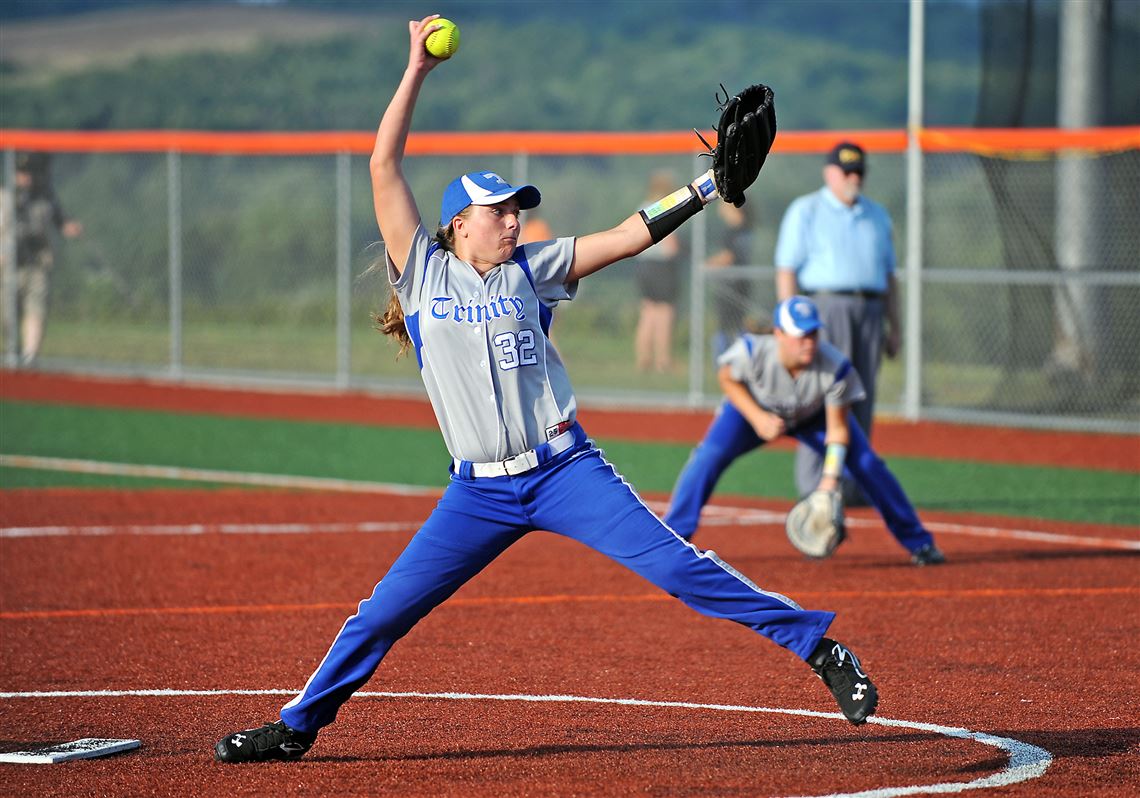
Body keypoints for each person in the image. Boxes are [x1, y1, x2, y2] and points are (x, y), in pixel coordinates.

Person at [214, 15, 879, 764]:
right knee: (383, 612)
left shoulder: (535, 267)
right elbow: (380, 164)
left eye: (516, 209)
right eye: (499, 211)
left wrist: (704, 185)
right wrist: (416, 72)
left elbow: (629, 234)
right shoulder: (423, 275)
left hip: (565, 471)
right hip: (478, 494)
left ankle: (821, 650)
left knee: (676, 567)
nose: (513, 219)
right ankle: (297, 725)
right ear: (457, 226)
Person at [663, 295, 944, 567]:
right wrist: (758, 417)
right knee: (707, 458)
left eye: (813, 334)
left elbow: (837, 430)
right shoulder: (753, 351)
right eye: (800, 335)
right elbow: (727, 377)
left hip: (813, 416)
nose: (808, 343)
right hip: (752, 412)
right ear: (779, 334)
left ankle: (919, 543)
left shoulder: (835, 368)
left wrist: (830, 481)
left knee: (868, 464)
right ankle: (673, 539)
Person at [774, 142, 898, 506]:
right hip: (823, 310)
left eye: (859, 171)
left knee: (860, 395)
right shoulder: (807, 210)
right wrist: (787, 326)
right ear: (829, 173)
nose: (853, 177)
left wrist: (896, 327)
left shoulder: (877, 215)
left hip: (870, 308)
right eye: (846, 171)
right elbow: (787, 269)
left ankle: (854, 483)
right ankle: (815, 484)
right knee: (821, 395)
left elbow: (890, 277)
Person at [0, 152, 82, 365]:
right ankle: (13, 352)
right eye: (21, 172)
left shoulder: (46, 198)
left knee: (36, 308)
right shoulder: (5, 197)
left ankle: (30, 357)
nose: (26, 177)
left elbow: (61, 220)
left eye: (29, 173)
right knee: (7, 314)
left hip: (37, 262)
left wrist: (69, 227)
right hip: (9, 265)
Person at [633, 170, 685, 373]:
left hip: (644, 265)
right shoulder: (667, 207)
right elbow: (671, 246)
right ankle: (663, 360)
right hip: (662, 268)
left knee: (647, 313)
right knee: (665, 314)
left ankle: (643, 358)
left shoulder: (642, 207)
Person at [706, 200, 754, 357]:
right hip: (741, 284)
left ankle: (722, 361)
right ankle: (740, 358)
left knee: (726, 328)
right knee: (736, 325)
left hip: (730, 286)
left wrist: (707, 264)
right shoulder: (746, 229)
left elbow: (727, 257)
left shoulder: (733, 231)